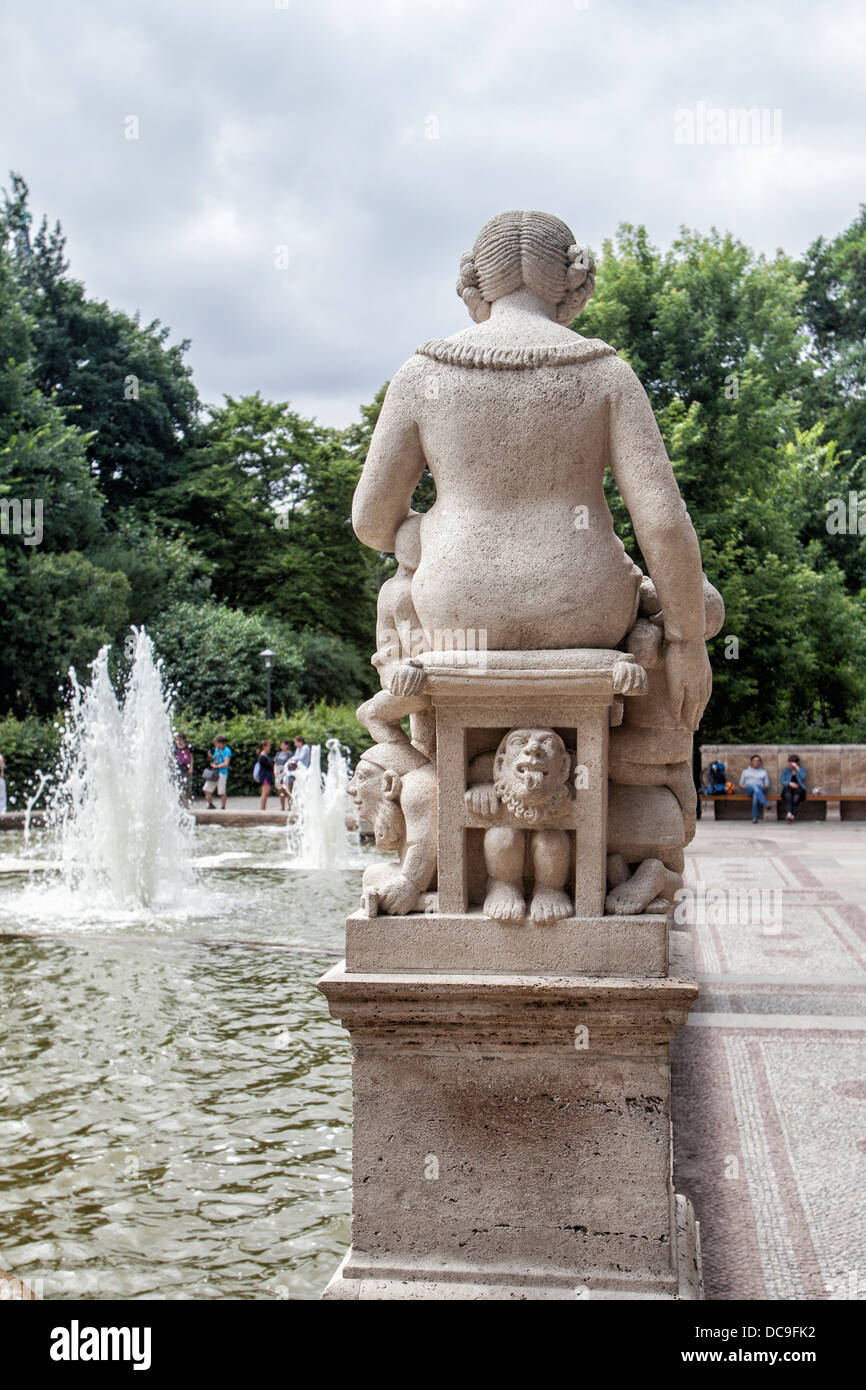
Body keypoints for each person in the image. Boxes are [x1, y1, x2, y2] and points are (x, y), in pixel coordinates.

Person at [739, 754, 771, 823]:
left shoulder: (763, 772)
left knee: (756, 796)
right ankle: (765, 802)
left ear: (760, 762)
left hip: (759, 789)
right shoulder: (745, 771)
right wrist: (752, 786)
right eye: (755, 761)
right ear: (751, 762)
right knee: (754, 786)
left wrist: (758, 788)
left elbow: (766, 785)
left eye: (758, 761)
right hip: (748, 789)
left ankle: (755, 818)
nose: (756, 762)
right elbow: (741, 784)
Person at [780, 753, 807, 823]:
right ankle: (790, 814)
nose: (790, 765)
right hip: (788, 788)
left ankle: (792, 815)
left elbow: (803, 777)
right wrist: (789, 783)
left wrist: (797, 768)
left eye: (792, 763)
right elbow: (782, 780)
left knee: (796, 798)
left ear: (796, 763)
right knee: (788, 795)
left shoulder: (802, 770)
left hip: (799, 789)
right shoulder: (786, 770)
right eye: (789, 763)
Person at [212, 736, 232, 809]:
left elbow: (226, 763)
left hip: (222, 772)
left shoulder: (227, 750)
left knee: (222, 791)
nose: (215, 744)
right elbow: (215, 758)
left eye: (216, 743)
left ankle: (223, 806)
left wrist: (216, 766)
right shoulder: (217, 749)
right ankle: (211, 804)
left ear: (220, 743)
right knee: (207, 788)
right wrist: (213, 762)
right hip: (215, 771)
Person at [174, 733, 193, 807]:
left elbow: (191, 758)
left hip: (186, 768)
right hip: (178, 768)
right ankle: (180, 803)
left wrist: (191, 767)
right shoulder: (175, 747)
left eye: (179, 739)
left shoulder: (188, 747)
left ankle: (186, 802)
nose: (178, 741)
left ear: (183, 739)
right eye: (177, 739)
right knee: (179, 785)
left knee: (187, 786)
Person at [255, 740, 275, 809]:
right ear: (264, 747)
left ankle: (263, 808)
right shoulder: (262, 756)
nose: (269, 747)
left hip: (267, 776)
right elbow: (268, 766)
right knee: (264, 793)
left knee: (265, 793)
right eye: (268, 746)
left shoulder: (264, 755)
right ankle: (262, 809)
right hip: (265, 777)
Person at [274, 739, 293, 810]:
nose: (282, 746)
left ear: (287, 745)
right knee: (280, 791)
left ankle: (290, 807)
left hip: (286, 774)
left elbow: (288, 764)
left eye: (283, 745)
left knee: (287, 791)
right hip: (278, 774)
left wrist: (282, 774)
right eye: (281, 745)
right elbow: (275, 763)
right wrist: (275, 772)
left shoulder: (290, 754)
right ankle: (282, 807)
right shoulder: (278, 753)